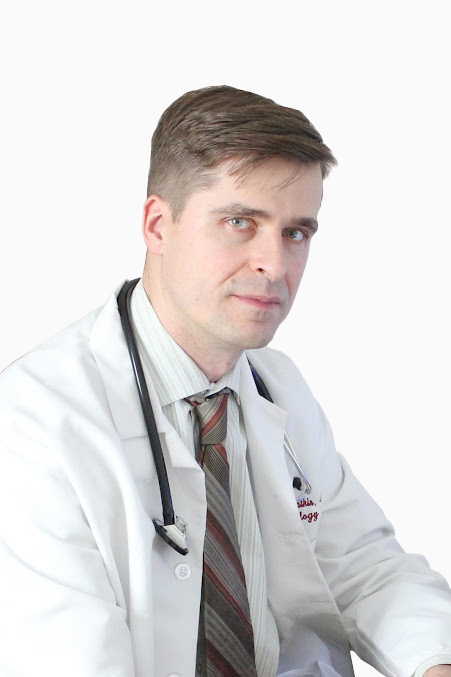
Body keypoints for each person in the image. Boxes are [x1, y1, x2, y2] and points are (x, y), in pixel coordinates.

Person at [0, 85, 450, 677]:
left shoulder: (277, 386)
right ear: (159, 225)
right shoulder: (34, 425)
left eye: (297, 232)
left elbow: (365, 566)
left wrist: (433, 664)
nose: (275, 264)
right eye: (241, 222)